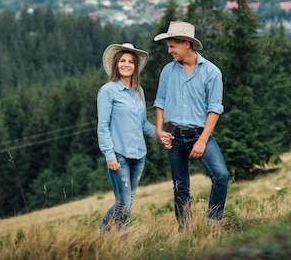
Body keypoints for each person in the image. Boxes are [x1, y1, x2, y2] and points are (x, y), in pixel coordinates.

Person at [153, 21, 230, 231]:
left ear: (186, 44)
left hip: (200, 135)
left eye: (172, 46)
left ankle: (213, 225)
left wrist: (202, 141)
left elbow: (214, 109)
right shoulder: (168, 71)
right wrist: (160, 131)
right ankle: (184, 230)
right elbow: (159, 102)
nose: (169, 51)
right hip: (174, 136)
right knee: (180, 187)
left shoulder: (212, 73)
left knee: (221, 175)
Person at [97, 42, 172, 232]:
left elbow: (143, 123)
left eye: (131, 61)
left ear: (135, 67)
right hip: (118, 154)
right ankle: (101, 235)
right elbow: (103, 126)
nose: (126, 64)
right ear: (116, 64)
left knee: (128, 201)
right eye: (122, 60)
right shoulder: (108, 91)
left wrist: (160, 134)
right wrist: (110, 155)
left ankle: (121, 238)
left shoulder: (138, 91)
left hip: (139, 154)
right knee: (122, 203)